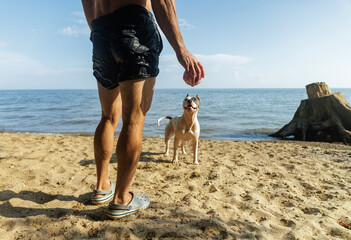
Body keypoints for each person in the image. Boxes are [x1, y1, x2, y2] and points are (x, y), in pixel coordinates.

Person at [81, 0, 204, 219]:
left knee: (108, 117)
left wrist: (100, 31)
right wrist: (181, 50)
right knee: (133, 120)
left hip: (100, 29)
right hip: (133, 26)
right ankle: (121, 199)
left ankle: (102, 187)